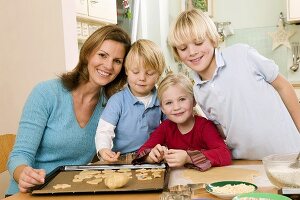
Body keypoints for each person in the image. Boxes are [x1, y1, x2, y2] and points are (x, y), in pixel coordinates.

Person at [6, 25, 131, 196]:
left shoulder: (112, 106)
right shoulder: (46, 93)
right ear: (88, 53)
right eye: (102, 55)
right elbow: (20, 154)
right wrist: (24, 174)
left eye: (117, 61)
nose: (108, 66)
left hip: (72, 193)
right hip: (29, 193)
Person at [167, 9, 300, 160]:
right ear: (177, 53)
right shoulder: (198, 91)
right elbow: (222, 128)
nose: (192, 52)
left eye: (198, 42)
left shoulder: (242, 54)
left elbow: (283, 86)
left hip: (289, 155)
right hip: (246, 162)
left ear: (212, 39)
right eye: (183, 48)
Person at [132, 73, 231, 171]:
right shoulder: (165, 127)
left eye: (182, 99)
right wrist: (151, 157)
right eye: (169, 103)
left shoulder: (205, 126)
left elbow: (225, 155)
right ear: (162, 108)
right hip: (178, 181)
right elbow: (141, 152)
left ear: (194, 101)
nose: (176, 107)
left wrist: (188, 157)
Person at [95, 39, 166, 163]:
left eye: (149, 73)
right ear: (127, 71)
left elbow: (171, 128)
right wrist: (103, 148)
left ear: (158, 75)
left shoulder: (162, 98)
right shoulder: (117, 100)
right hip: (123, 158)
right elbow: (104, 130)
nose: (142, 78)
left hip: (151, 156)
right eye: (136, 72)